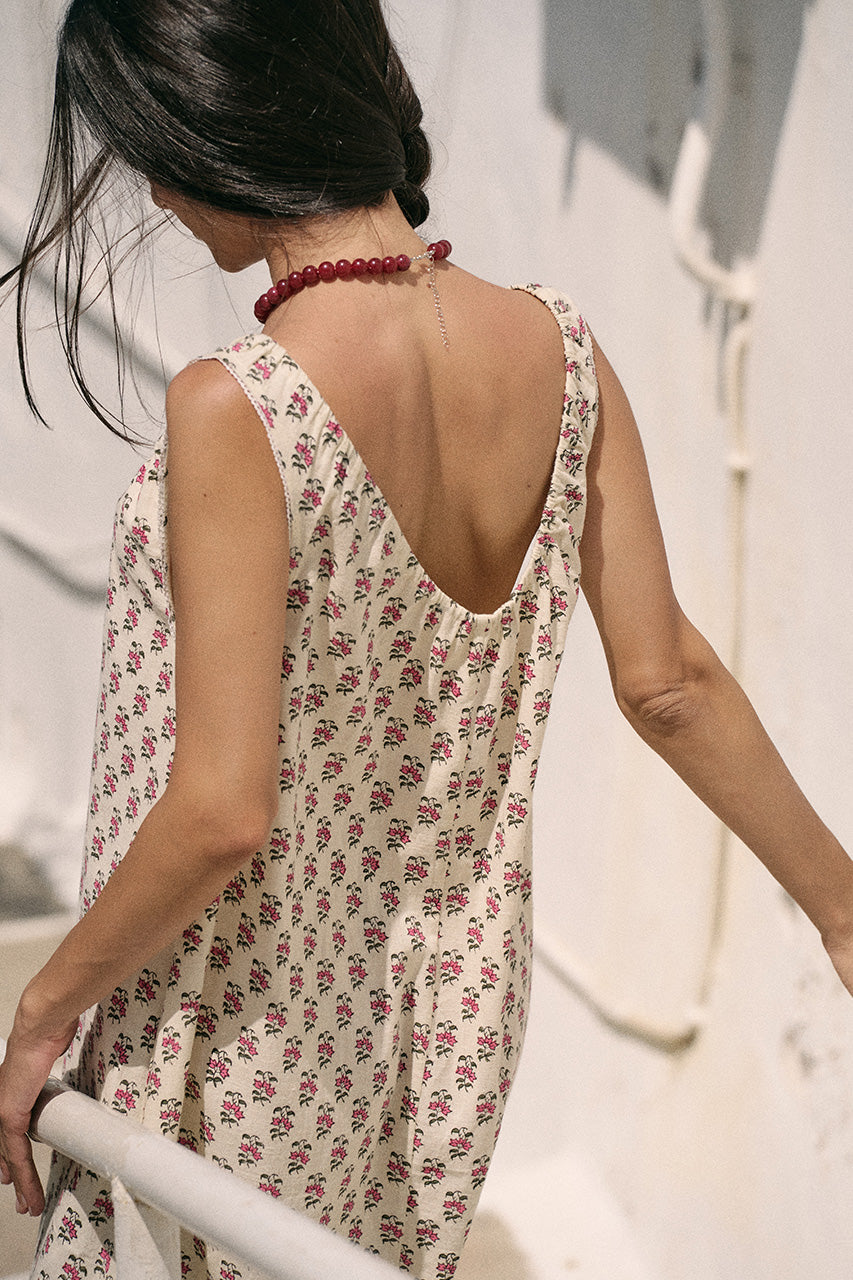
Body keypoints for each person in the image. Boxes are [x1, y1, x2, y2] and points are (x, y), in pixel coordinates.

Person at [1, 1, 851, 1277]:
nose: (166, 203)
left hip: (246, 1017)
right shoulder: (565, 351)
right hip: (437, 1020)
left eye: (157, 156)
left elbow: (223, 809)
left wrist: (42, 1004)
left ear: (215, 128)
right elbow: (667, 679)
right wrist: (839, 907)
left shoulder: (238, 403)